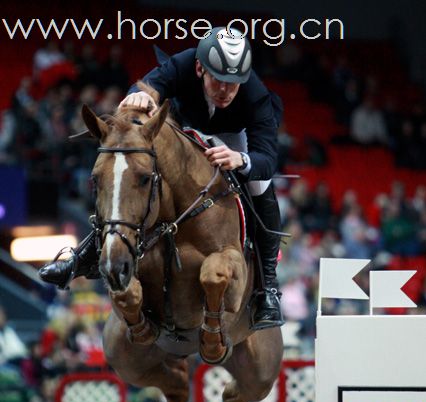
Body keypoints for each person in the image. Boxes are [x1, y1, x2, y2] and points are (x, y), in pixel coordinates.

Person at [39, 27, 284, 330]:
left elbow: (268, 159)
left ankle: (268, 288)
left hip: (232, 137)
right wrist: (138, 96)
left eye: (233, 83)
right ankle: (85, 255)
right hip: (182, 127)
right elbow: (147, 87)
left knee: (261, 185)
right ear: (199, 67)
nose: (225, 90)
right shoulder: (184, 62)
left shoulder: (256, 96)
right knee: (132, 172)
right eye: (217, 79)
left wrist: (241, 160)